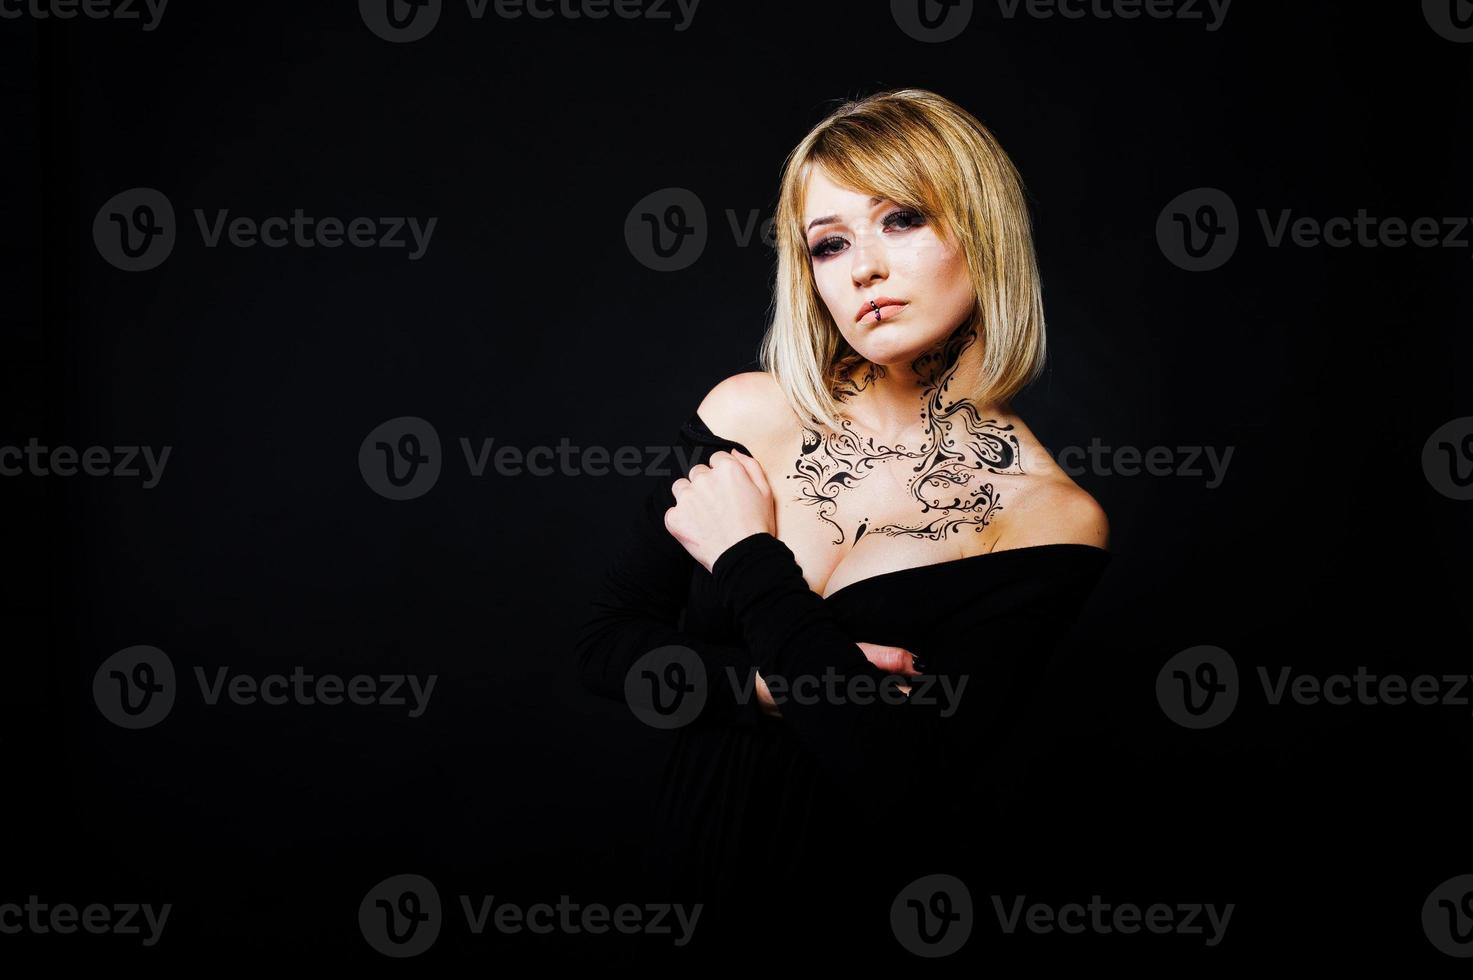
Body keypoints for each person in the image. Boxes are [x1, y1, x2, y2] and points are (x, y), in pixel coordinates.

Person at [574, 88, 1110, 960]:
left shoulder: (1048, 518)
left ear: (983, 232)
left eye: (900, 219)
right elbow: (603, 644)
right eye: (828, 243)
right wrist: (764, 686)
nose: (860, 268)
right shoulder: (750, 413)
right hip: (680, 896)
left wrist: (747, 552)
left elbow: (904, 781)